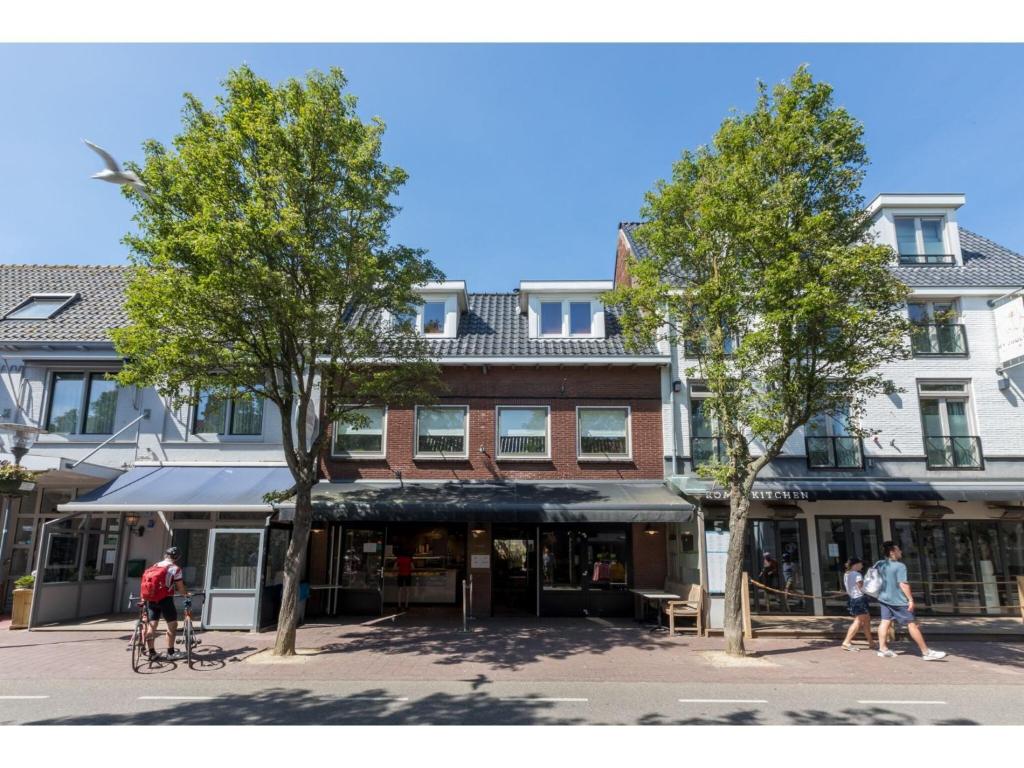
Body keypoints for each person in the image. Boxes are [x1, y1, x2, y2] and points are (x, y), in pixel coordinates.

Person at [875, 541, 947, 660]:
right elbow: (903, 584)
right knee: (912, 624)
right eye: (898, 550)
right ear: (892, 552)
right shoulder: (900, 566)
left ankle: (882, 649)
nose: (901, 552)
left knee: (884, 622)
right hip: (898, 600)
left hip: (884, 598)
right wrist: (910, 600)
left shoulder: (880, 564)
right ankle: (926, 652)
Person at [142, 546, 188, 660]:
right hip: (165, 599)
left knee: (152, 626)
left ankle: (152, 653)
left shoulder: (154, 566)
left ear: (165, 555)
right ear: (177, 557)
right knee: (172, 625)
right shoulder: (175, 569)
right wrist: (186, 594)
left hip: (151, 599)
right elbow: (180, 587)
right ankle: (171, 653)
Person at [840, 557, 873, 651]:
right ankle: (846, 642)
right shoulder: (857, 574)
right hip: (859, 599)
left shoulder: (847, 574)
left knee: (866, 620)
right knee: (858, 621)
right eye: (861, 564)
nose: (862, 566)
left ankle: (871, 642)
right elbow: (861, 587)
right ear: (855, 564)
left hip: (853, 599)